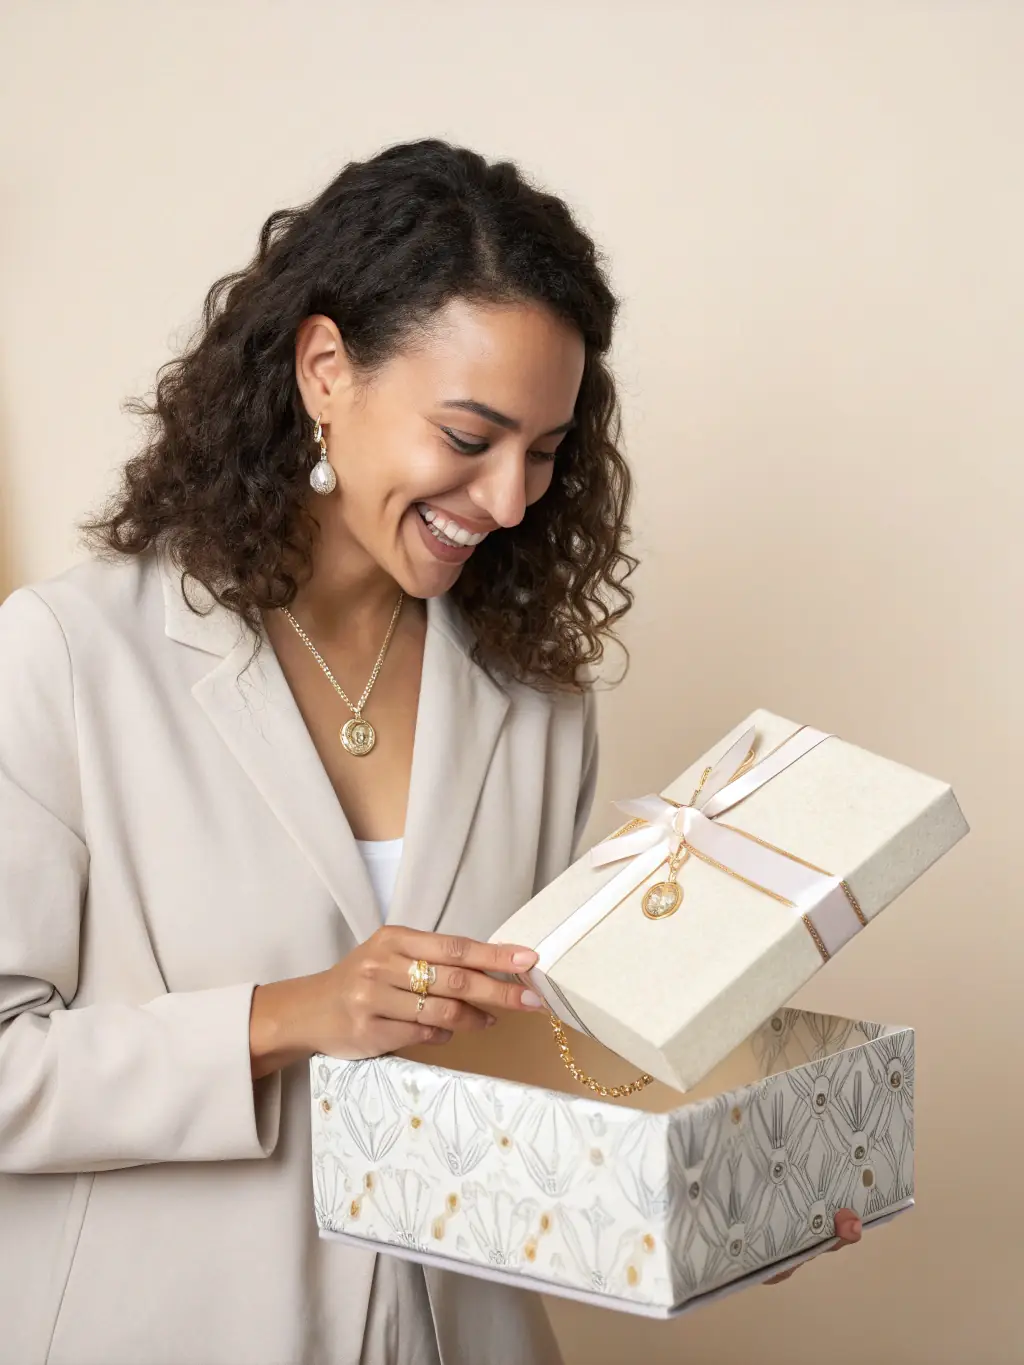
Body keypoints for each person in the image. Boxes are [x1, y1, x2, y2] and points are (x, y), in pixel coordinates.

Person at [0, 139, 860, 1365]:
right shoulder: (68, 658)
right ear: (325, 371)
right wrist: (290, 1017)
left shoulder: (533, 699)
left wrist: (740, 1184)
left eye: (547, 451)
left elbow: (535, 1060)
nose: (510, 500)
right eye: (470, 434)